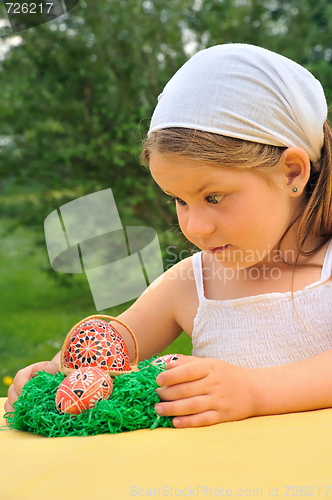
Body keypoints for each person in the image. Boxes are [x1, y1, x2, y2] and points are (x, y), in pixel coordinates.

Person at [5, 43, 332, 428]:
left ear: (292, 172)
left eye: (214, 197)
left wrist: (256, 390)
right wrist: (57, 372)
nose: (194, 227)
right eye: (180, 200)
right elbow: (107, 350)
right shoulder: (190, 283)